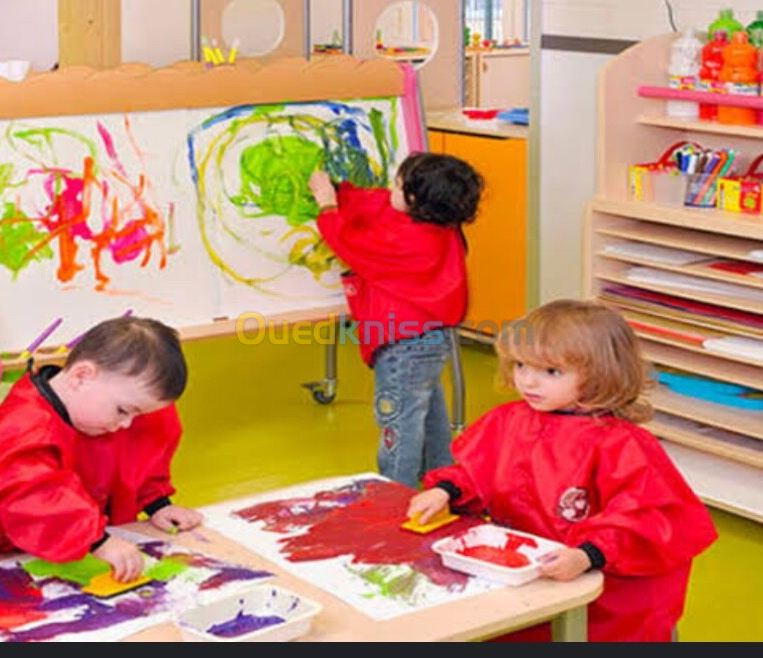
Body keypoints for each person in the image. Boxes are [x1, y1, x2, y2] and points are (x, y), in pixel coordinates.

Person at [407, 300, 718, 642]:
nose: (529, 381)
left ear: (600, 374)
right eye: (522, 365)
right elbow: (477, 471)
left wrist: (588, 554)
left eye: (551, 372)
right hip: (532, 576)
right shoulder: (509, 420)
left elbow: (650, 521)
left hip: (606, 592)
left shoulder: (621, 444)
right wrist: (446, 490)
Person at [0, 316, 202, 582]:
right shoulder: (26, 426)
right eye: (123, 411)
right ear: (82, 376)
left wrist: (156, 503)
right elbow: (35, 495)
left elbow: (140, 451)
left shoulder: (105, 410)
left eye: (135, 414)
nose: (126, 424)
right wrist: (98, 541)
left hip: (37, 557)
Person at [308, 152, 483, 489]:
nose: (390, 189)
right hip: (430, 340)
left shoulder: (412, 241)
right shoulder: (437, 222)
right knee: (428, 415)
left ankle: (394, 495)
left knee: (400, 423)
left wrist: (328, 203)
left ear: (416, 200)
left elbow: (348, 242)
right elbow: (377, 203)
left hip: (405, 346)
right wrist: (341, 191)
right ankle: (442, 485)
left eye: (399, 185)